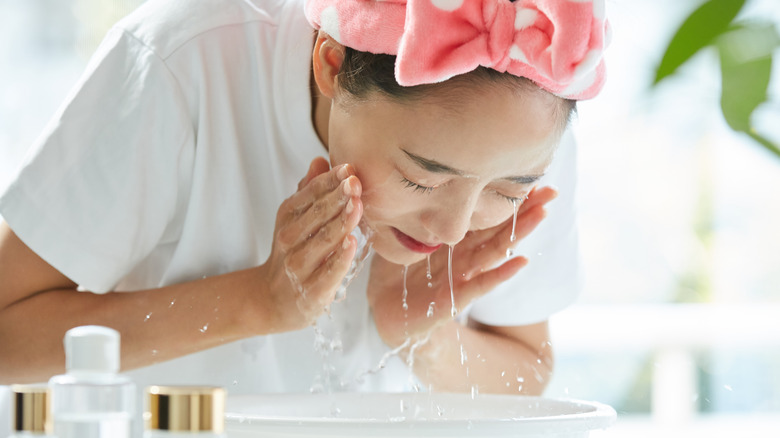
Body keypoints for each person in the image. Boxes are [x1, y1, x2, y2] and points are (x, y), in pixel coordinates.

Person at [0, 0, 607, 398]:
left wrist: (423, 336)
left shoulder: (528, 126)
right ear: (331, 64)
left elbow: (527, 372)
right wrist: (258, 300)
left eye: (505, 192)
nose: (452, 230)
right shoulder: (186, 61)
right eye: (422, 180)